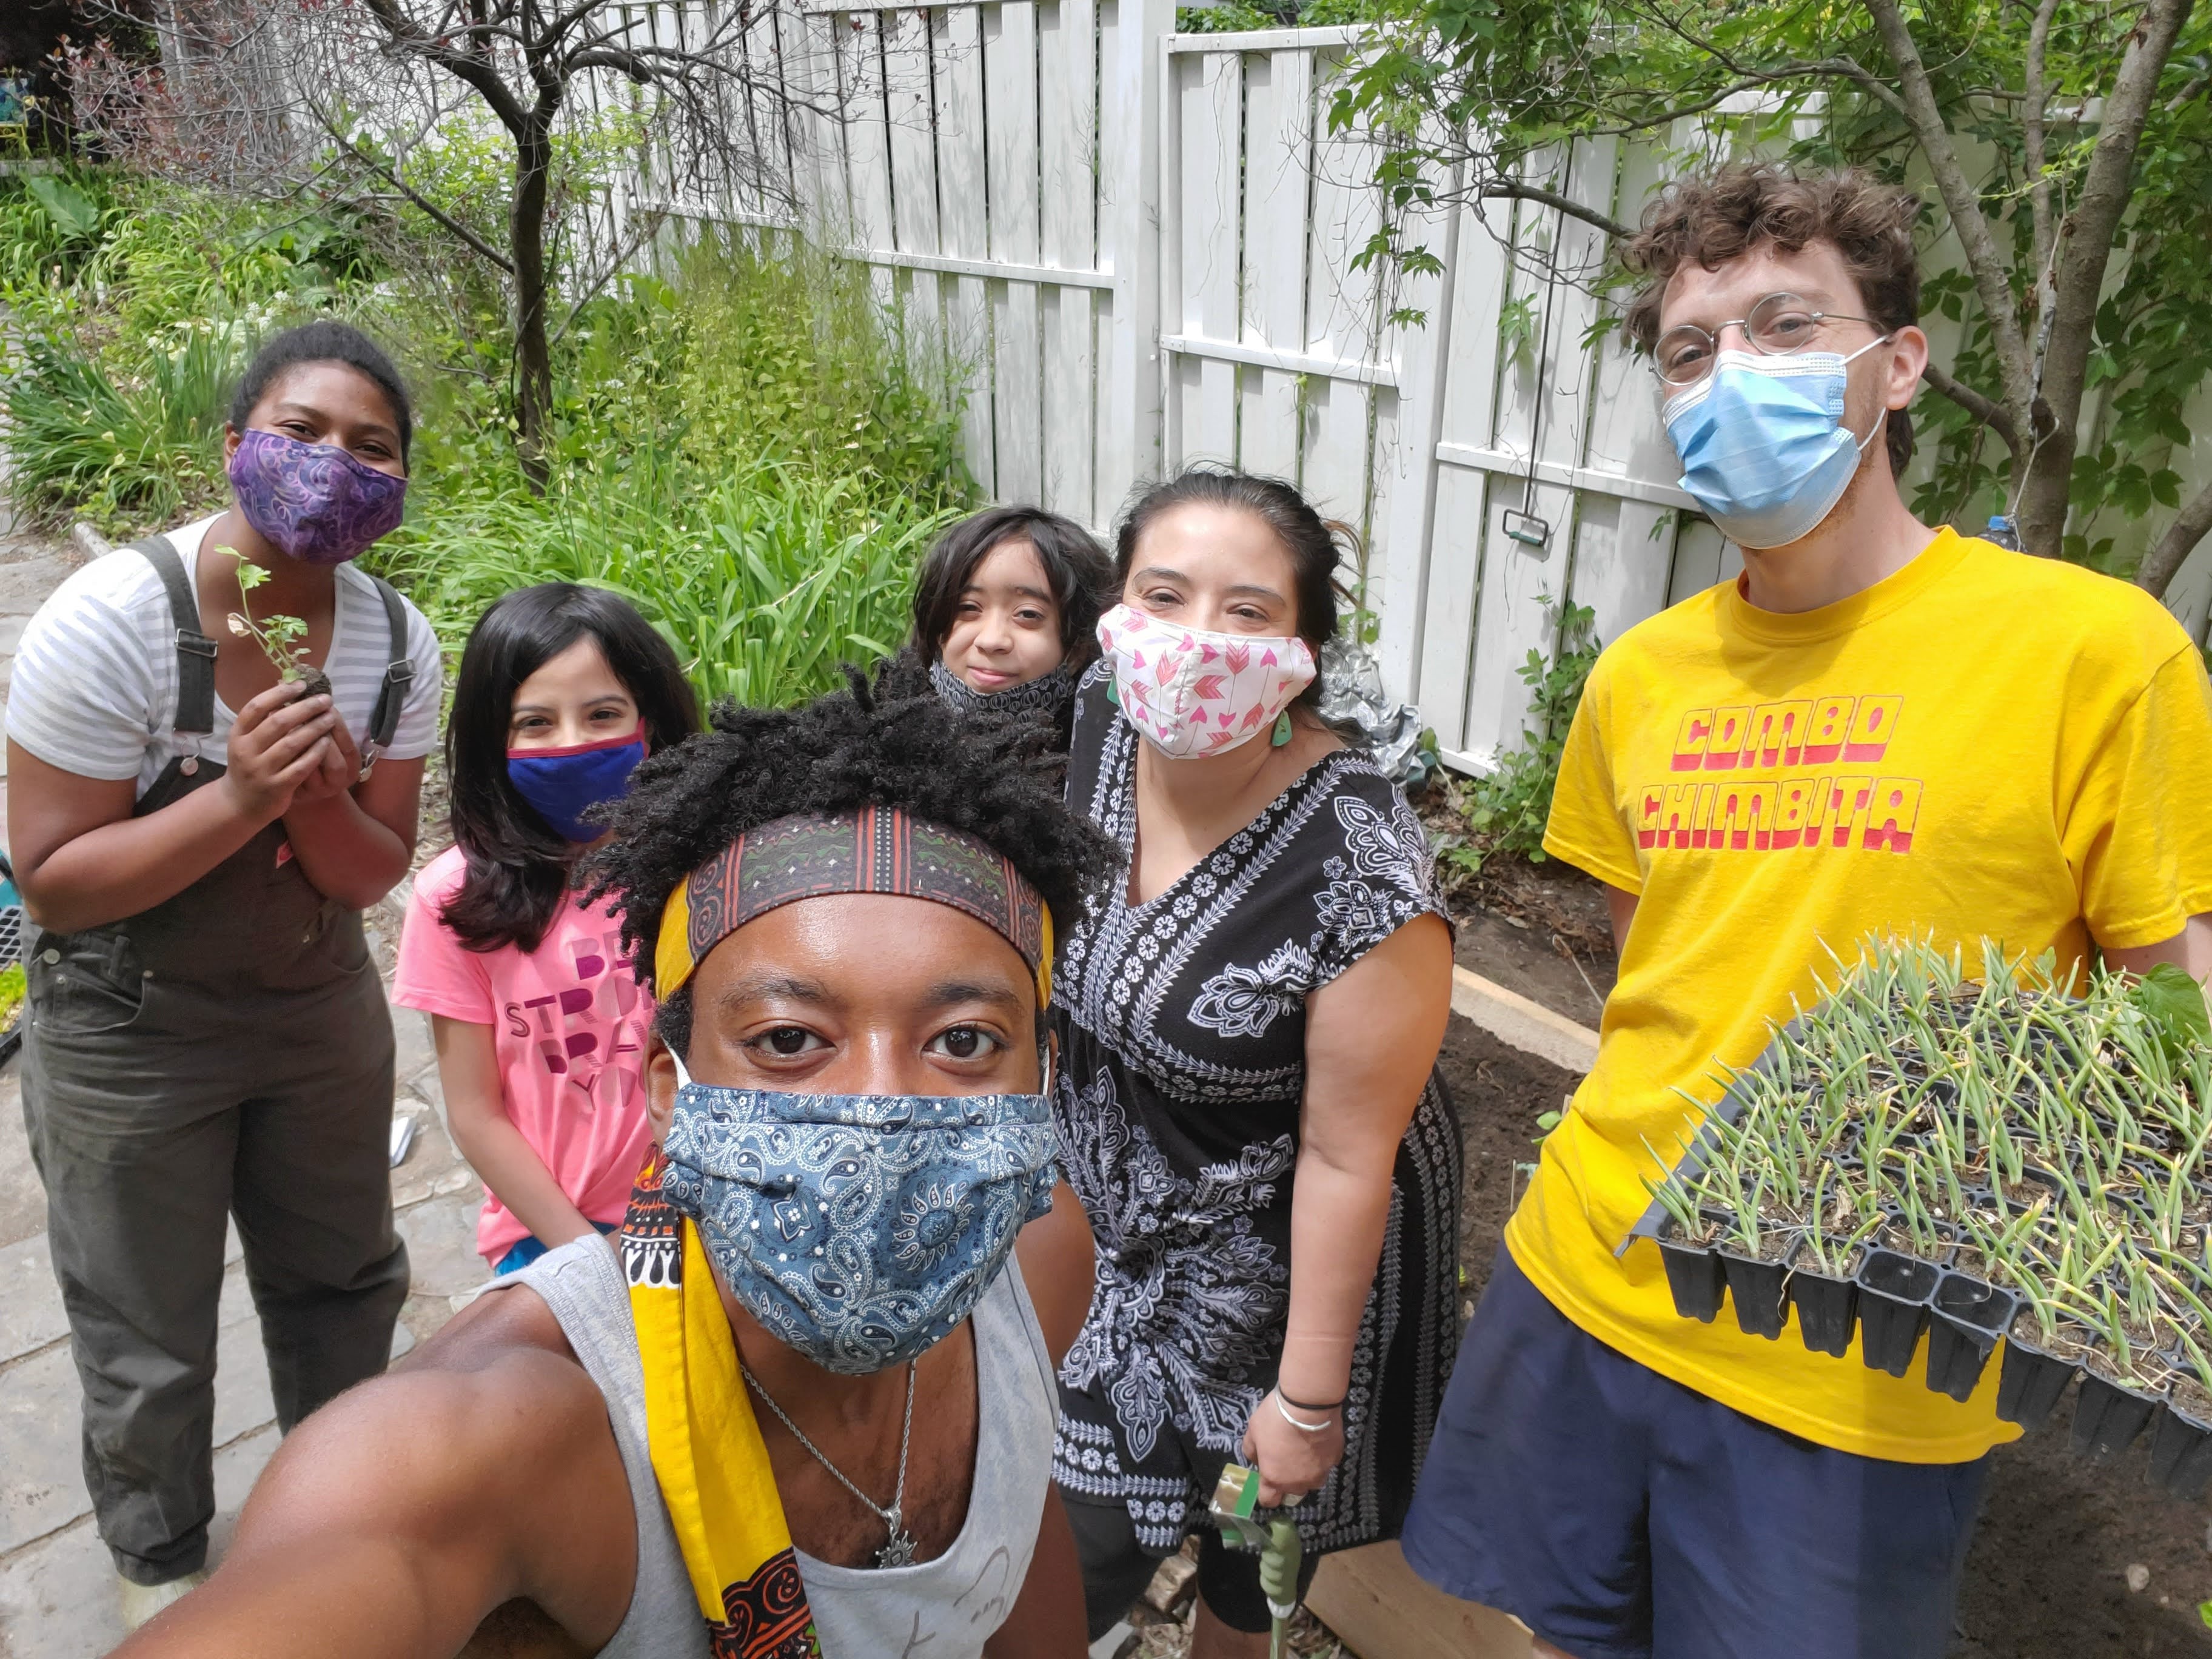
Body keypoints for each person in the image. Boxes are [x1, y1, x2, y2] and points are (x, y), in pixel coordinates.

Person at [1401, 163, 2212, 1659]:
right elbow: (1662, 963)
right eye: (1691, 350)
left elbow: (2178, 1017)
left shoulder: (2094, 652)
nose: (1731, 375)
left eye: (1785, 326)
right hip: (1584, 1272)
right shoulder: (1641, 674)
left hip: (1856, 1354)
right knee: (1557, 1631)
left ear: (1896, 366)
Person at [115, 659, 1120, 1659]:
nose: (882, 1109)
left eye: (963, 1041)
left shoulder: (1034, 1264)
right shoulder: (504, 1442)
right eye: (786, 1039)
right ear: (670, 1087)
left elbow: (1013, 1540)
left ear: (1042, 1074)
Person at [5, 320, 444, 1626]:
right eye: (302, 432)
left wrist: (309, 796)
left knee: (344, 1284)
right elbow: (55, 878)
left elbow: (368, 874)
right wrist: (244, 791)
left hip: (316, 1005)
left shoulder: (394, 642)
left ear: (399, 490)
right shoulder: (114, 619)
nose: (334, 465)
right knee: (144, 1327)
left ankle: (344, 1527)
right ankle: (165, 1570)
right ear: (233, 447)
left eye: (373, 449)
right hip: (131, 1029)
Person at [1044, 468, 1461, 1656]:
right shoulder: (1105, 720)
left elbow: (1346, 1154)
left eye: (1247, 612)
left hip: (1275, 1282)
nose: (1192, 642)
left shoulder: (1363, 869)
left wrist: (1308, 1397)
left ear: (1306, 650)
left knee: (1244, 1541)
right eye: (1162, 596)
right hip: (1112, 1220)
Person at [394, 584, 700, 1276]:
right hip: (560, 1234)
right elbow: (475, 1114)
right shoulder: (454, 899)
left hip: (712, 1208)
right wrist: (590, 1260)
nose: (572, 744)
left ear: (649, 721)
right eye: (535, 723)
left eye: (602, 714)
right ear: (489, 738)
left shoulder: (703, 861)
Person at [910, 504, 1114, 743]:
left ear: (1077, 650)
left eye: (1028, 614)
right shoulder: (881, 753)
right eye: (968, 608)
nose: (991, 640)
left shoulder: (1106, 770)